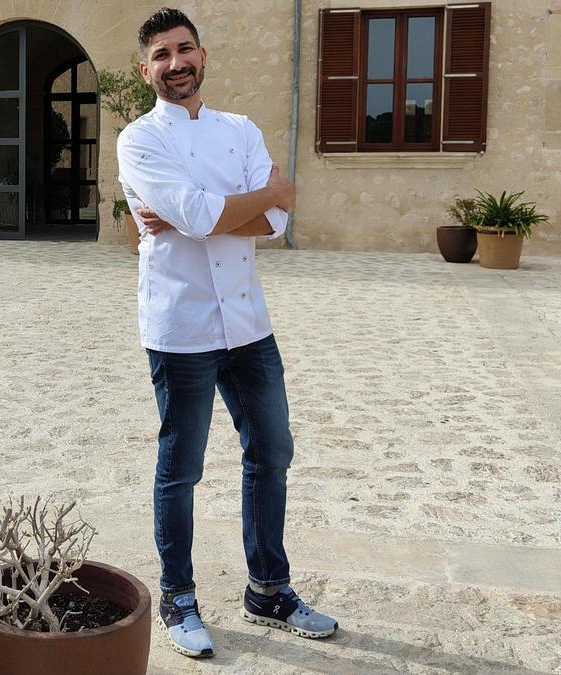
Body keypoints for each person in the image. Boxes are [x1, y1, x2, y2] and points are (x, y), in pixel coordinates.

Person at [116, 7, 338, 659]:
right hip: (180, 326)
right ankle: (178, 597)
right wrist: (246, 203)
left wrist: (204, 216)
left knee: (272, 452)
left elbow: (267, 223)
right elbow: (221, 209)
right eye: (162, 54)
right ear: (145, 68)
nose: (176, 63)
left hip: (248, 323)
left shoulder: (240, 129)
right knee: (179, 469)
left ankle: (268, 588)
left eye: (185, 50)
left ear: (203, 56)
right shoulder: (138, 140)